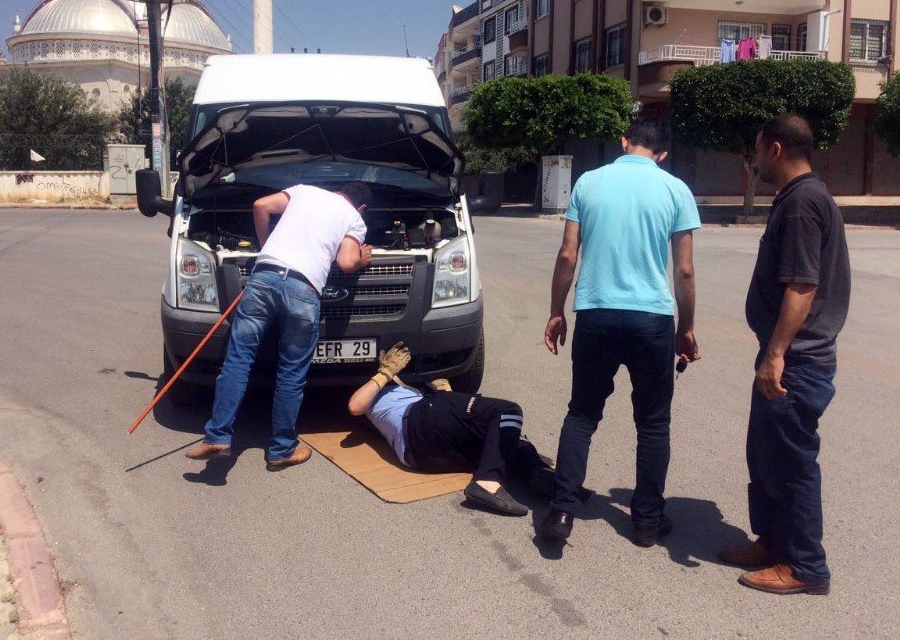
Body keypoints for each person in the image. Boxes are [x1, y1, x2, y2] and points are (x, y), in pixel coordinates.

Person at [537, 118, 701, 546]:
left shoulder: (589, 183)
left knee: (582, 414)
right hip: (651, 320)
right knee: (652, 423)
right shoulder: (675, 190)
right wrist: (687, 328)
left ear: (624, 142)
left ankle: (562, 513)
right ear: (662, 153)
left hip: (596, 313)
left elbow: (568, 253)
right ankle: (646, 521)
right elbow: (683, 269)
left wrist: (556, 310)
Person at [719, 114, 850, 596]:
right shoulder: (801, 198)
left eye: (756, 149)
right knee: (767, 456)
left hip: (796, 361)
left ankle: (807, 567)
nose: (752, 160)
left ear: (775, 149)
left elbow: (802, 286)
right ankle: (773, 542)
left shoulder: (802, 204)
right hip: (784, 358)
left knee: (792, 463)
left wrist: (776, 354)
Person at [186, 182, 373, 469]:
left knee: (237, 360)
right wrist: (362, 258)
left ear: (338, 190)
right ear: (361, 207)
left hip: (263, 278)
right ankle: (282, 450)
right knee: (291, 373)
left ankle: (217, 436)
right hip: (303, 290)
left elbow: (260, 206)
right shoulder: (354, 218)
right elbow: (346, 262)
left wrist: (266, 245)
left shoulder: (305, 190)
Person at [346, 343, 575, 516]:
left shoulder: (405, 389)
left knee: (499, 440)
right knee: (506, 411)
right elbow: (355, 406)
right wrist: (384, 373)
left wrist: (443, 391)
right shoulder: (375, 389)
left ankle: (536, 472)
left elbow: (449, 421)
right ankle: (487, 482)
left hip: (420, 456)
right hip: (418, 419)